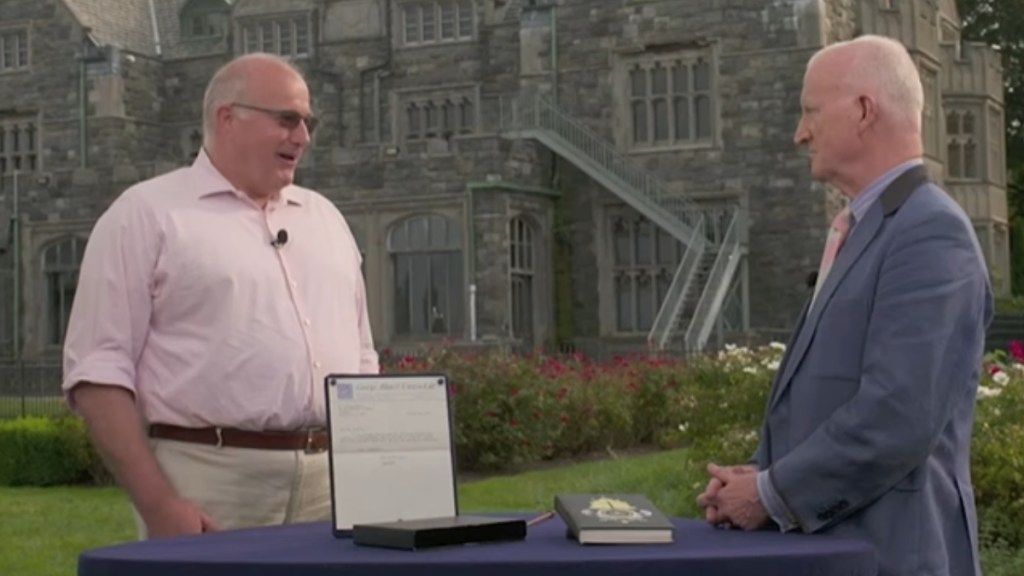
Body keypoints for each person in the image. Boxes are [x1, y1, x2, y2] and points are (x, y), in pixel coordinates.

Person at [696, 35, 992, 576]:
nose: (800, 132)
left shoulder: (930, 234)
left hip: (895, 558)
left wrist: (771, 494)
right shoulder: (866, 229)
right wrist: (762, 477)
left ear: (862, 111)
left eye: (810, 112)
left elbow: (897, 416)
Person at [61, 53, 379, 540]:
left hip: (333, 485)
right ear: (227, 118)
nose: (303, 137)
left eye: (308, 122)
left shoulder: (327, 220)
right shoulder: (146, 215)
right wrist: (159, 504)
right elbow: (97, 373)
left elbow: (361, 356)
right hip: (207, 482)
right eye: (287, 119)